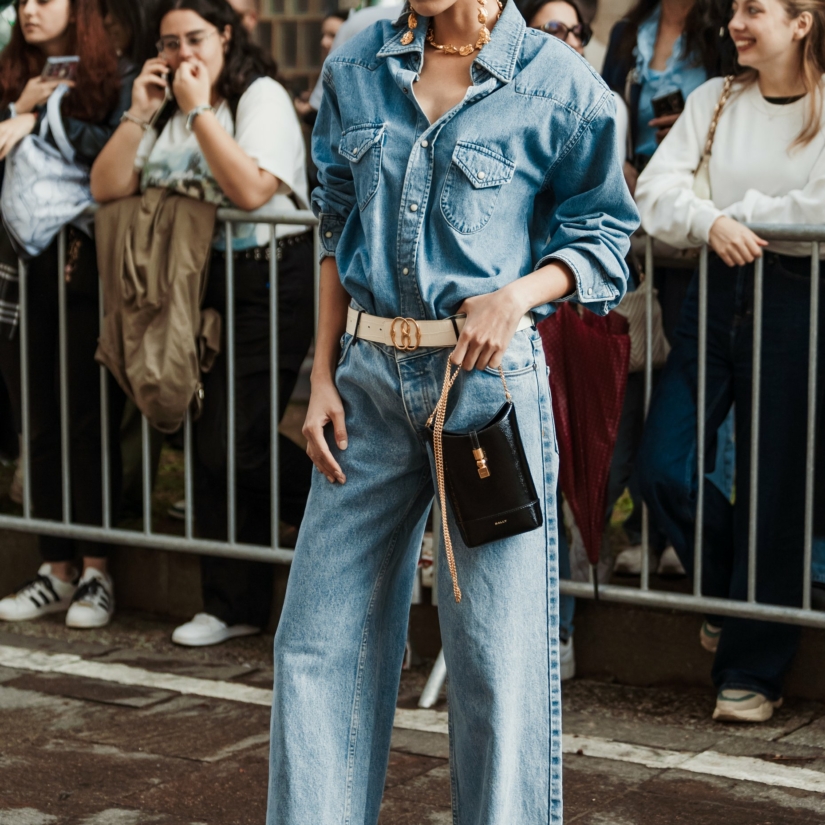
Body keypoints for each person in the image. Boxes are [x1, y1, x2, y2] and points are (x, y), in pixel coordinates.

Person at [266, 0, 638, 820]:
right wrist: (320, 374)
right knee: (316, 643)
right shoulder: (358, 57)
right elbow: (336, 216)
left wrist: (518, 296)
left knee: (494, 662)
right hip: (361, 384)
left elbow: (606, 237)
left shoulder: (557, 80)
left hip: (485, 390)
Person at [91, 0, 314, 647]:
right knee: (207, 439)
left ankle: (344, 511)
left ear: (224, 35)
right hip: (196, 281)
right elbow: (106, 186)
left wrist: (196, 110)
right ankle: (231, 602)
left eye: (194, 38)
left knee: (233, 441)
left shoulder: (259, 96)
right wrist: (140, 111)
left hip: (269, 274)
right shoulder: (161, 106)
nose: (181, 53)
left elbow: (251, 191)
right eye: (167, 43)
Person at [635, 0, 825, 722]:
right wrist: (710, 219)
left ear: (802, 22)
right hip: (714, 292)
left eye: (755, 10)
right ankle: (728, 590)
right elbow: (654, 194)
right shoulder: (713, 99)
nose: (736, 22)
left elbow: (813, 209)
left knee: (771, 485)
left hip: (794, 296)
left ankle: (751, 665)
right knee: (663, 465)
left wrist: (725, 208)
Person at [0, 0, 132, 629]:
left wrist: (40, 114)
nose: (29, 8)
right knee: (40, 419)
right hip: (20, 270)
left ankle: (98, 570)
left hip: (86, 263)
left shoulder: (113, 77)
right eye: (22, 0)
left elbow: (113, 157)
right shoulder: (14, 77)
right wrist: (20, 109)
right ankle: (54, 568)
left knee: (89, 420)